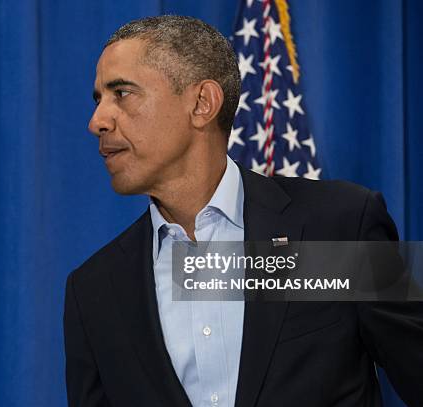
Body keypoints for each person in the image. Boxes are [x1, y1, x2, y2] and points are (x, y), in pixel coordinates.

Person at [64, 15, 423, 407]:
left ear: (202, 103)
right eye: (98, 99)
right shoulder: (94, 290)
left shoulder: (338, 225)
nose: (96, 121)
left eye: (122, 93)